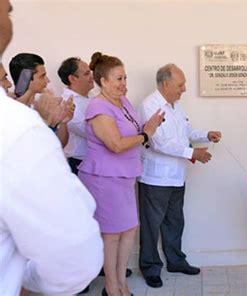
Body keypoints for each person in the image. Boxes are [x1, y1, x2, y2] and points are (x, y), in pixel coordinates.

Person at [0, 1, 104, 295]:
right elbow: (74, 260)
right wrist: (18, 278)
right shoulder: (15, 121)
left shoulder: (30, 114)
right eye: (42, 76)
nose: (47, 81)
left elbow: (58, 143)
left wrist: (57, 123)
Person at [78, 52, 164, 296]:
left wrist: (151, 126)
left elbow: (134, 131)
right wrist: (146, 134)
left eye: (125, 77)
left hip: (125, 176)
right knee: (112, 234)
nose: (124, 83)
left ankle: (120, 283)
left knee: (128, 230)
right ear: (103, 81)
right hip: (104, 178)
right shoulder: (97, 106)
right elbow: (115, 144)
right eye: (118, 78)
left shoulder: (123, 102)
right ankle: (112, 287)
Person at [138, 64, 222, 288]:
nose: (184, 88)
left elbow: (187, 132)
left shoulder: (176, 106)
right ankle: (150, 267)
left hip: (177, 176)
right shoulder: (150, 106)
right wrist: (192, 152)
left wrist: (206, 135)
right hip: (155, 178)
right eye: (181, 84)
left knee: (175, 222)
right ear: (166, 84)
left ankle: (175, 261)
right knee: (151, 225)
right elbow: (158, 142)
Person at [9, 52, 73, 147]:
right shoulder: (11, 112)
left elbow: (59, 145)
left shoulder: (38, 106)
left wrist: (63, 121)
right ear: (25, 78)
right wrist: (48, 121)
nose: (48, 80)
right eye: (42, 76)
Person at [57, 57, 95, 174]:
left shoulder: (94, 96)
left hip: (96, 161)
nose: (92, 76)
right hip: (79, 163)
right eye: (87, 73)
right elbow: (91, 132)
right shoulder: (67, 103)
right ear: (72, 78)